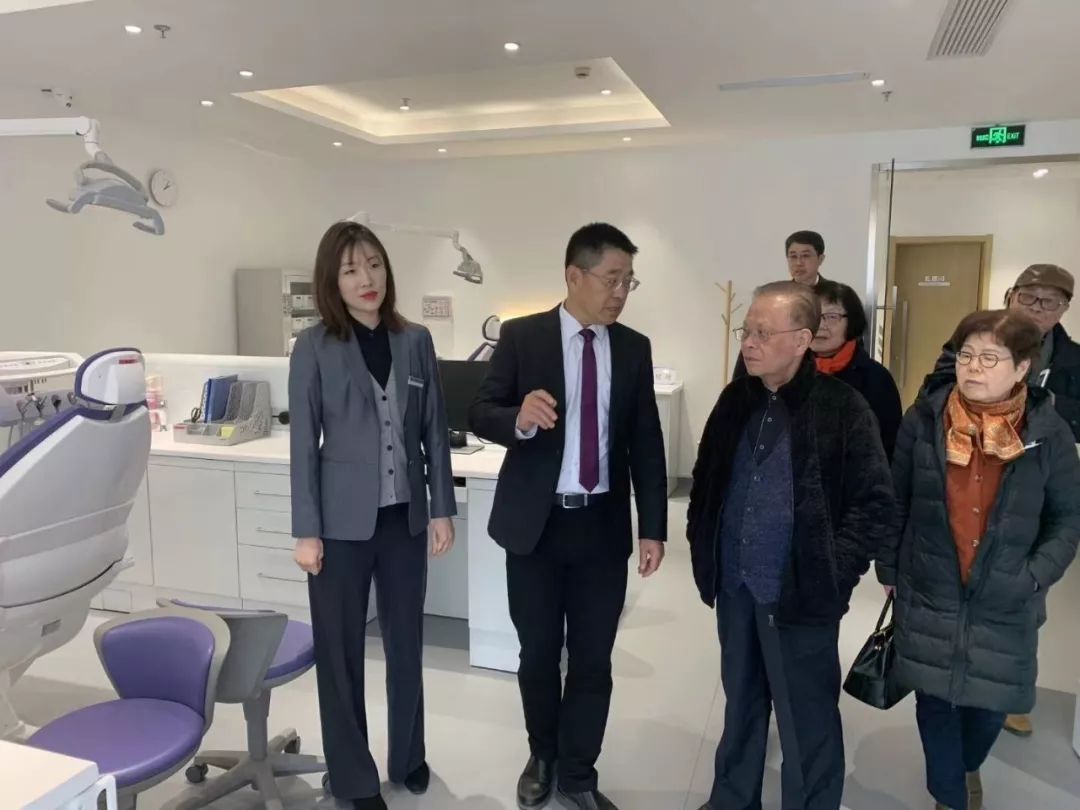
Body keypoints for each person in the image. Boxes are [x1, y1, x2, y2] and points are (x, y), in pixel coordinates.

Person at [468, 223, 667, 810]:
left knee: (592, 659)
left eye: (629, 282)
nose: (620, 293)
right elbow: (480, 410)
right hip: (536, 526)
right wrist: (518, 419)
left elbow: (646, 441)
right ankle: (543, 754)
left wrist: (653, 527)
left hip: (601, 527)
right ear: (574, 275)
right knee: (536, 653)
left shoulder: (633, 348)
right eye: (612, 279)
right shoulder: (522, 337)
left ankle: (579, 772)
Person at [687, 281, 895, 810]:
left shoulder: (842, 407)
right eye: (746, 331)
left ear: (803, 339)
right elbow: (705, 482)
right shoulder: (734, 400)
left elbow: (873, 503)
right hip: (736, 585)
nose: (749, 343)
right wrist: (703, 548)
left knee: (807, 717)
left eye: (763, 332)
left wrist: (833, 573)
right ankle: (732, 799)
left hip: (802, 592)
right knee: (741, 703)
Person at [879, 309, 1080, 810]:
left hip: (1008, 594)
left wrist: (1034, 576)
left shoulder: (1048, 432)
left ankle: (966, 768)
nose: (973, 367)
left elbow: (1067, 519)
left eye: (990, 358)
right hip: (930, 582)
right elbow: (895, 499)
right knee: (934, 700)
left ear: (1022, 368)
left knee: (992, 705)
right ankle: (950, 794)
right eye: (966, 354)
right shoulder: (924, 419)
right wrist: (889, 567)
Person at [289, 220, 457, 810]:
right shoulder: (314, 347)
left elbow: (434, 430)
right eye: (351, 269)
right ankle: (353, 779)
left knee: (406, 643)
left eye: (375, 264)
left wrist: (441, 509)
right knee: (340, 655)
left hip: (404, 519)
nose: (367, 278)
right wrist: (306, 530)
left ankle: (408, 756)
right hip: (339, 527)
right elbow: (303, 443)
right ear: (332, 281)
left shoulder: (415, 341)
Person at [919, 263, 1080, 738]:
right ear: (1010, 296)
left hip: (1033, 495)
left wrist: (1037, 409)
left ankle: (1000, 697)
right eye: (1028, 297)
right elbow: (935, 391)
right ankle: (953, 690)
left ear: (1064, 309)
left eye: (1049, 301)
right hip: (966, 479)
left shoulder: (1072, 360)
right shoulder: (974, 344)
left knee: (1017, 610)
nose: (1036, 308)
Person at [812, 280, 902, 459]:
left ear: (851, 321)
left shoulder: (876, 378)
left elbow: (889, 448)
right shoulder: (788, 371)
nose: (820, 325)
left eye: (831, 317)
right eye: (812, 315)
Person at [731, 231, 828, 381]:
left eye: (806, 256)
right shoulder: (773, 298)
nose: (798, 263)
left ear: (820, 259)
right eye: (793, 256)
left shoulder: (835, 298)